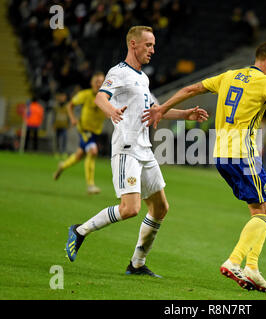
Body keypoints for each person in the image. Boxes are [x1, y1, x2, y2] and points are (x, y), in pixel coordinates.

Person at [143, 41, 266, 292]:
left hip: (221, 156)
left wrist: (162, 108)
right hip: (244, 156)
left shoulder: (229, 75)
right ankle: (235, 261)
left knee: (261, 209)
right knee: (265, 212)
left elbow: (192, 88)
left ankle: (253, 268)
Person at [64, 26, 208, 277]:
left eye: (153, 45)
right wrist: (112, 111)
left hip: (144, 150)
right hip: (126, 150)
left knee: (161, 207)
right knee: (130, 209)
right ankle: (79, 230)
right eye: (148, 45)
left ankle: (137, 264)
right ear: (133, 45)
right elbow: (100, 98)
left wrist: (185, 114)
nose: (153, 49)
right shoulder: (118, 72)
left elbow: (155, 110)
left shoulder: (142, 78)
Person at [53, 72, 107, 194]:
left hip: (96, 132)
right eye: (96, 81)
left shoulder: (106, 96)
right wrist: (72, 118)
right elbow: (70, 105)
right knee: (93, 152)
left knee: (79, 156)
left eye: (101, 81)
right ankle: (90, 185)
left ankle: (62, 166)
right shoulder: (85, 95)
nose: (99, 84)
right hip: (84, 129)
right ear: (91, 83)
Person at [52, 91, 69, 157]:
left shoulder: (67, 106)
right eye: (61, 96)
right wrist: (53, 124)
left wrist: (69, 124)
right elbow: (54, 116)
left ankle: (64, 152)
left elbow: (68, 116)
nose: (62, 98)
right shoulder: (56, 106)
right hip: (57, 125)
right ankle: (57, 152)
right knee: (57, 139)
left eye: (63, 97)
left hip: (64, 125)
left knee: (64, 139)